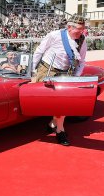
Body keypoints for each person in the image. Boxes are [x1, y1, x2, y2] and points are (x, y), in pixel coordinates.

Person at [31, 15, 87, 146]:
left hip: (67, 72)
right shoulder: (54, 35)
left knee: (63, 103)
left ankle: (59, 130)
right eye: (78, 29)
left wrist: (77, 77)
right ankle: (53, 124)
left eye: (83, 29)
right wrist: (32, 71)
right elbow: (39, 51)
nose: (81, 32)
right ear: (69, 27)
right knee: (50, 102)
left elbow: (82, 61)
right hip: (48, 70)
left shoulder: (82, 40)